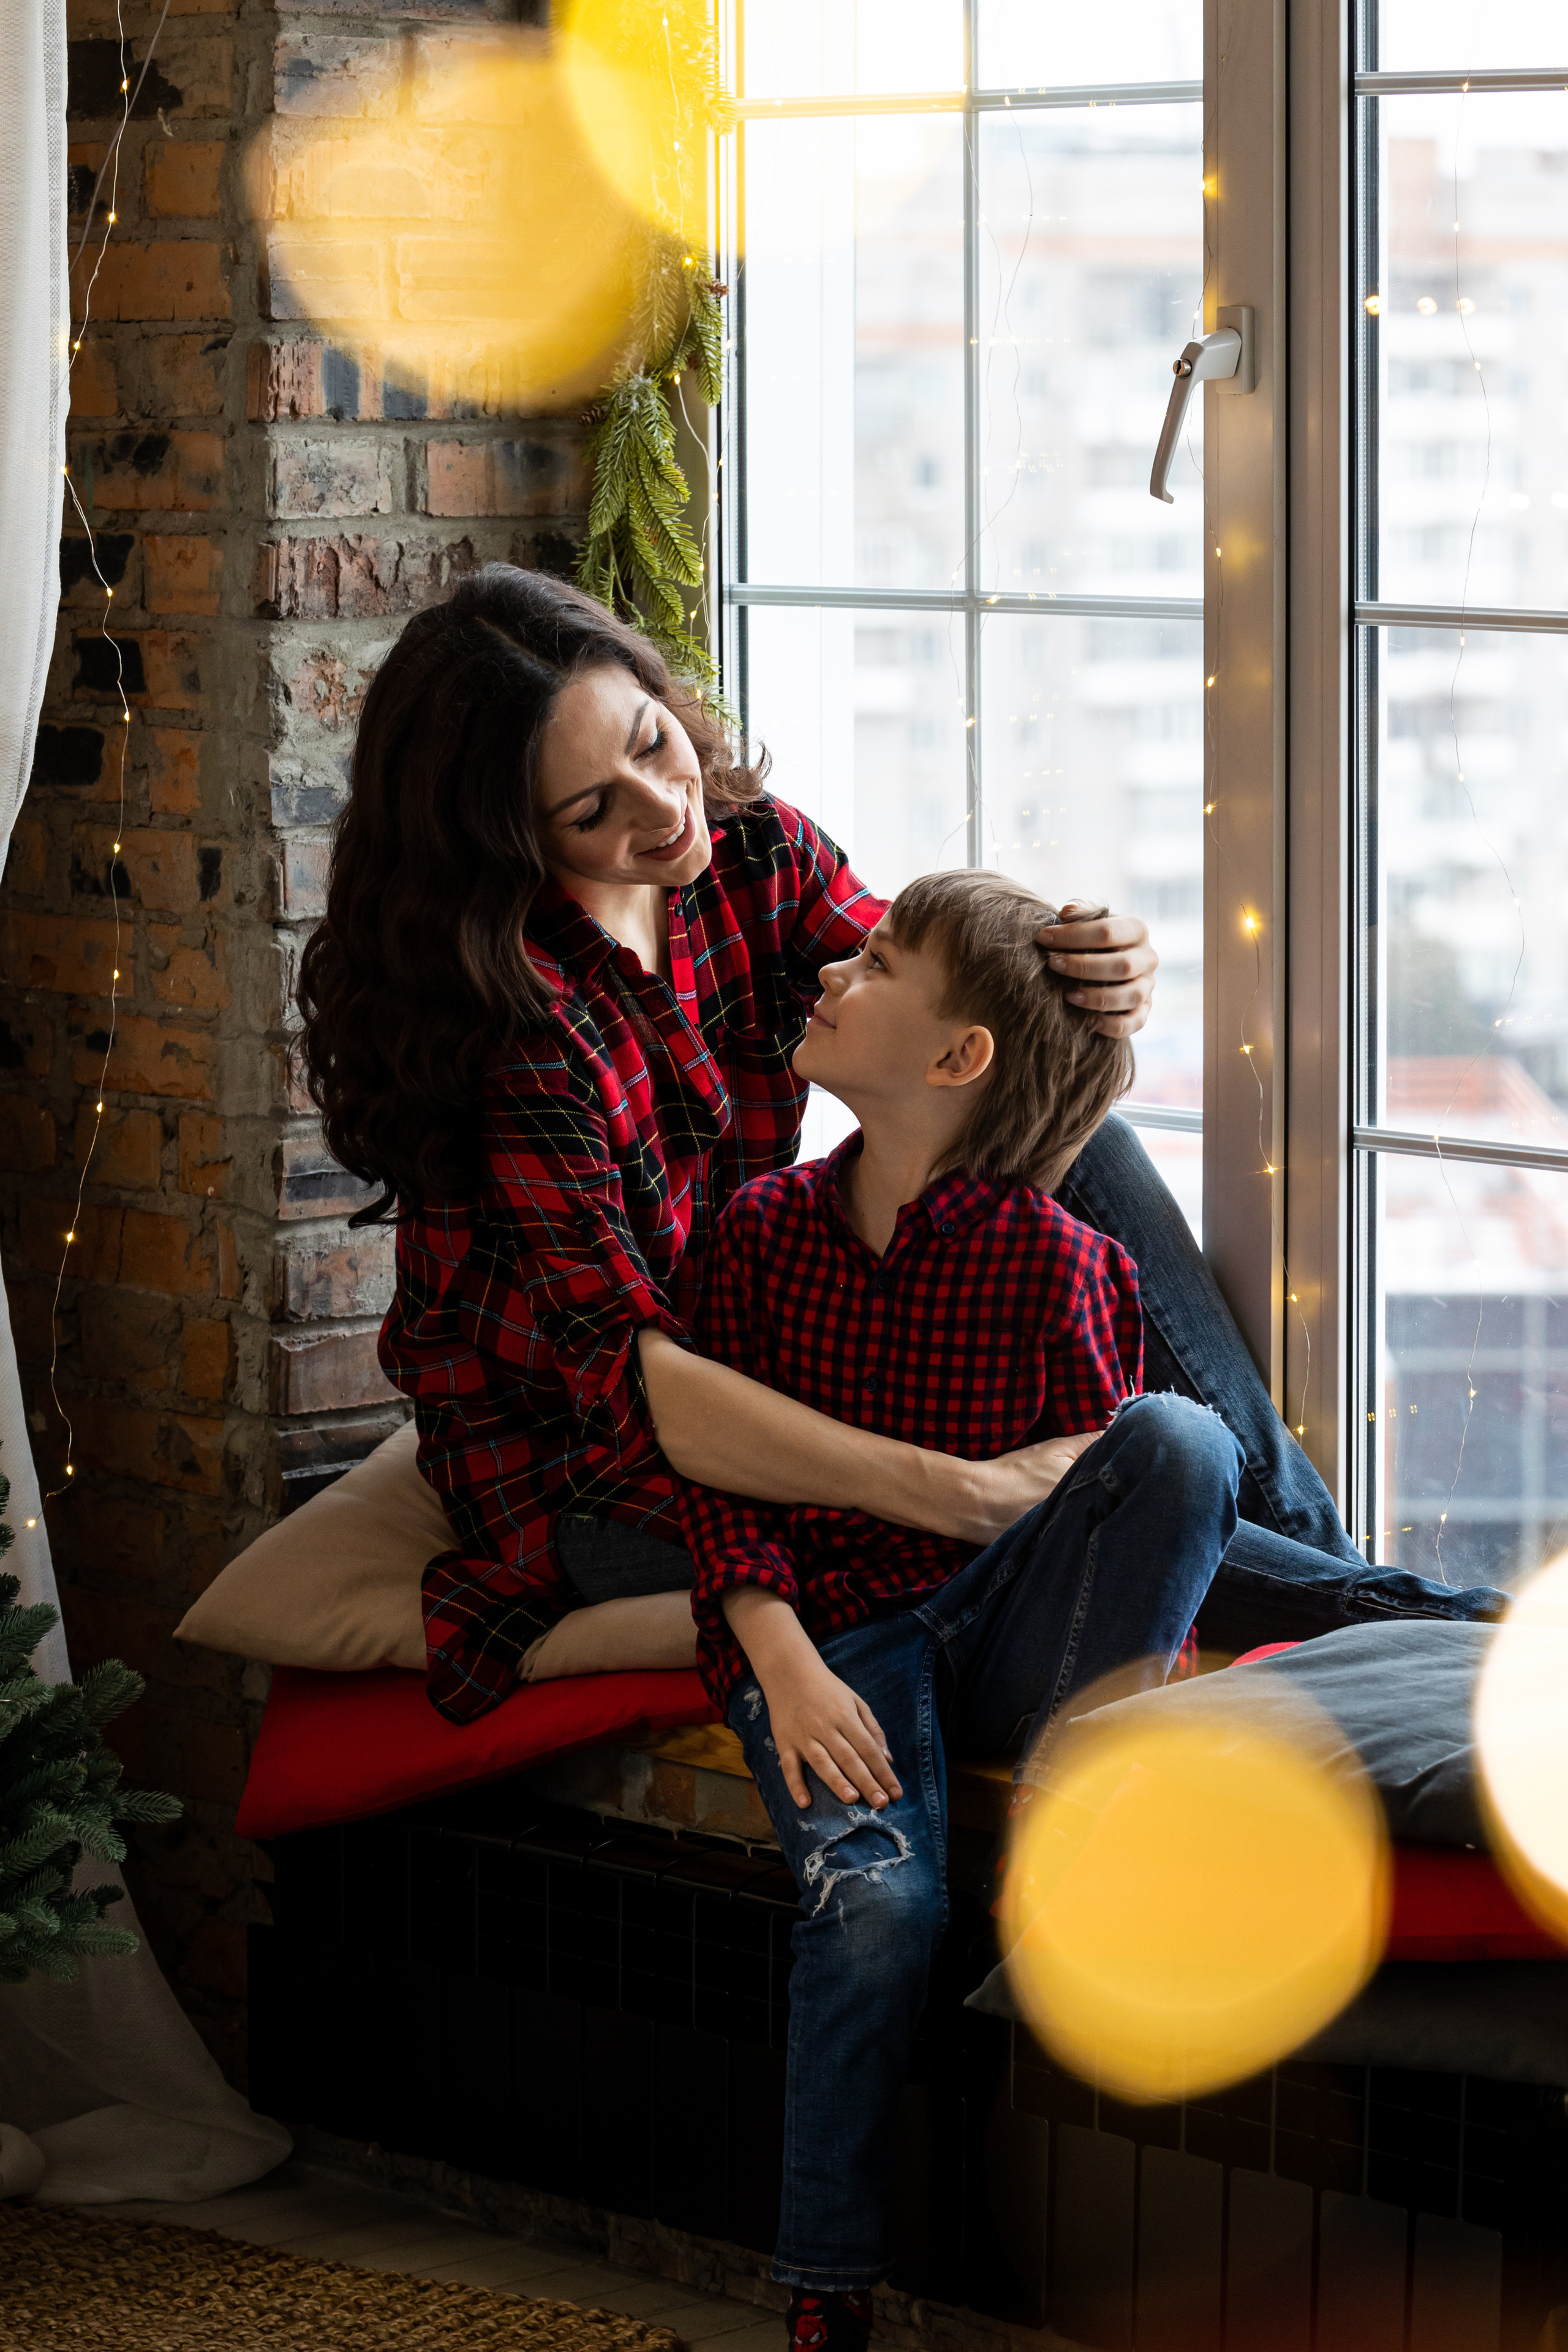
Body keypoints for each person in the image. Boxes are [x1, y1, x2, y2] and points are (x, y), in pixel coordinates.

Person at [294, 564, 1502, 1727]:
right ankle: (1436, 1634)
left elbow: (964, 1034)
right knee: (1052, 1514)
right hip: (603, 1470)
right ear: (509, 842)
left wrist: (1102, 979)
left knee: (1089, 1146)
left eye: (651, 744)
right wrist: (969, 1488)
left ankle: (1326, 1560)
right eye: (590, 811)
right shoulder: (523, 1028)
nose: (663, 810)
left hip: (772, 1364)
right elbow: (649, 1398)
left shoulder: (751, 853)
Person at [676, 870, 1246, 2343]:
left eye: (872, 963)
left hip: (1003, 1640)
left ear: (956, 1056)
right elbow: (717, 1490)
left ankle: (1085, 1785)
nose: (830, 973)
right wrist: (785, 1669)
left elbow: (1097, 1512)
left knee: (1184, 1444)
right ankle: (824, 2301)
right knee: (877, 1909)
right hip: (828, 1649)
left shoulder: (1067, 1263)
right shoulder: (755, 1232)